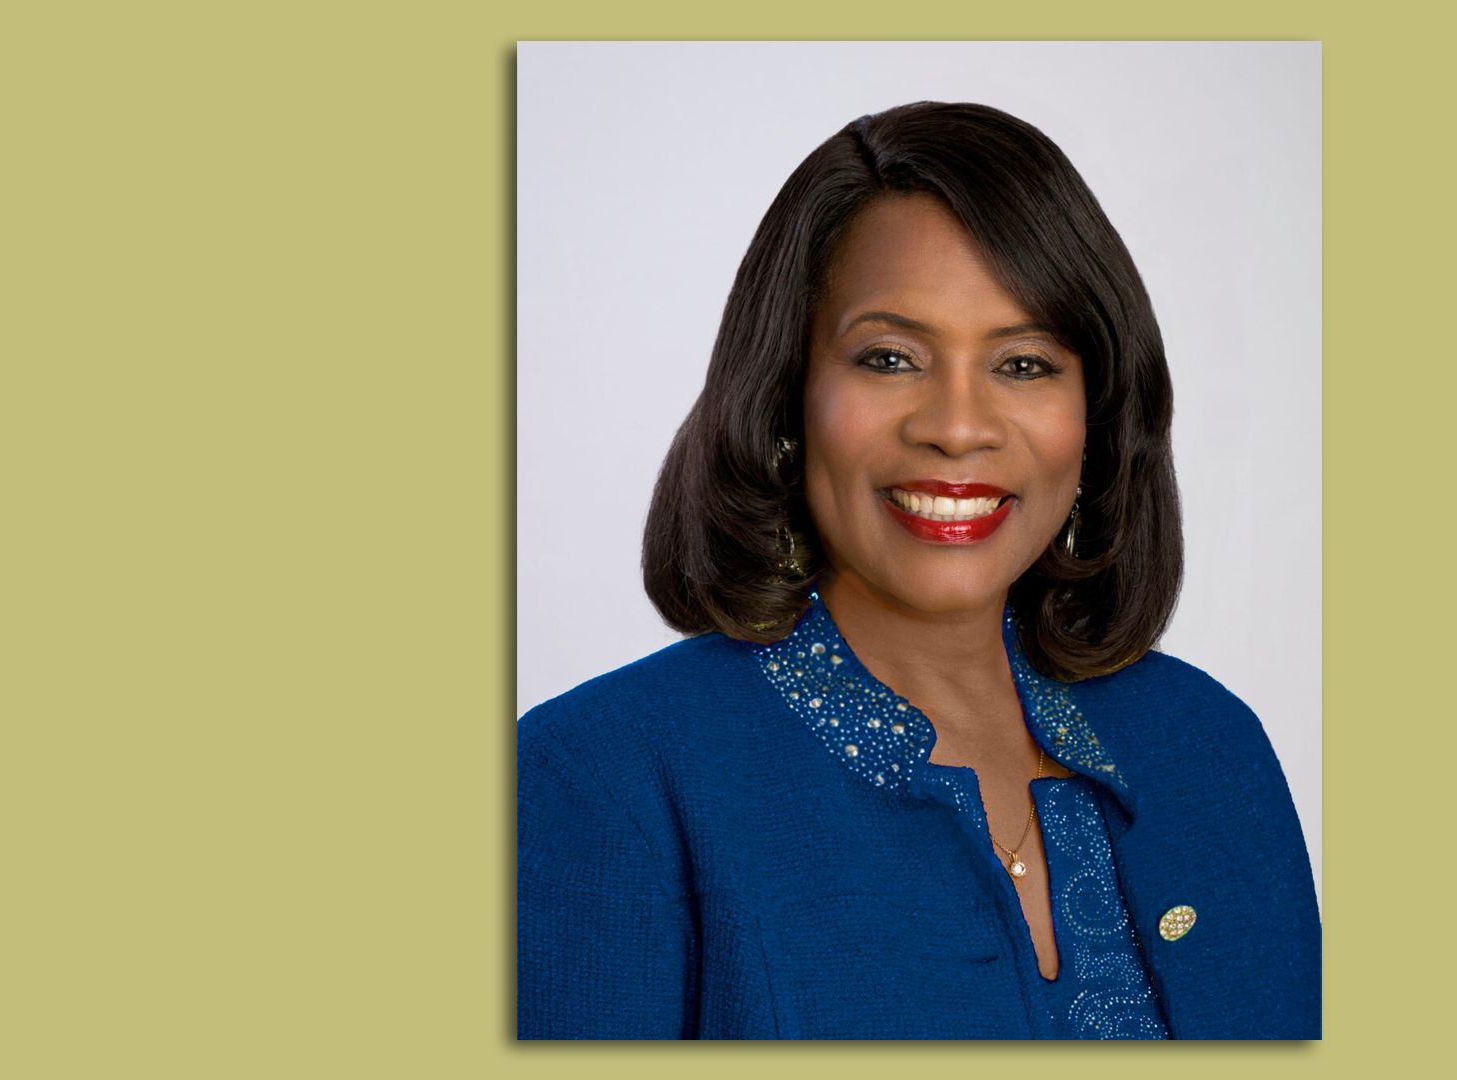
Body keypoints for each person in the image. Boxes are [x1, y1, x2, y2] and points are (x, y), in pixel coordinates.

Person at [518, 101, 1319, 1040]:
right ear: (787, 394)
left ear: (1097, 418)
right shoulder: (604, 779)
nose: (957, 424)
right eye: (890, 357)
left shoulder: (1206, 748)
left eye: (1024, 364)